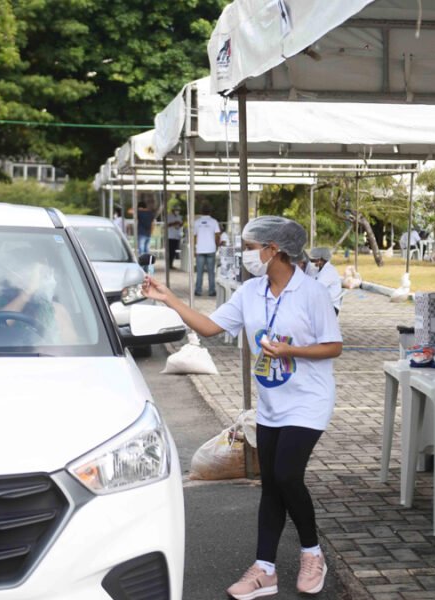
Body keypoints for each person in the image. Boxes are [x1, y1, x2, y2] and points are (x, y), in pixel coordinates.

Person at [141, 216, 342, 599]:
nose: (246, 254)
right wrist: (169, 299)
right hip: (271, 402)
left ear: (274, 250)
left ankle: (312, 553)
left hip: (309, 400)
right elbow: (210, 328)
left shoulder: (312, 293)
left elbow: (333, 346)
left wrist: (290, 350)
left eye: (251, 247)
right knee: (271, 484)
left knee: (286, 475)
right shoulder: (250, 292)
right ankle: (264, 569)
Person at [0, 258, 78, 345]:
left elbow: (71, 350)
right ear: (8, 274)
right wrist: (27, 293)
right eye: (21, 271)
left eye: (34, 274)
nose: (30, 278)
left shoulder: (55, 310)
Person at [193, 202, 221, 297]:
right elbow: (217, 235)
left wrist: (194, 249)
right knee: (211, 272)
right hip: (211, 249)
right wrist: (217, 245)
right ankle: (211, 291)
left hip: (200, 249)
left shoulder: (196, 222)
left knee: (199, 272)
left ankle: (198, 290)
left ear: (201, 211)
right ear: (210, 211)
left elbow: (194, 237)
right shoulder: (214, 221)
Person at [308, 247, 343, 315]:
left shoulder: (329, 271)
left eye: (314, 260)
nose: (313, 262)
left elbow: (316, 288)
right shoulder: (319, 270)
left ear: (321, 260)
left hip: (331, 307)